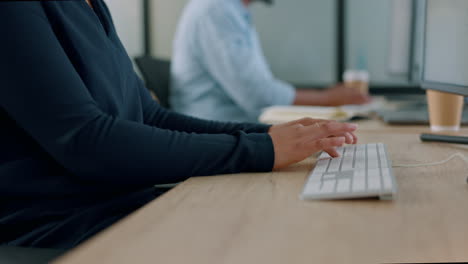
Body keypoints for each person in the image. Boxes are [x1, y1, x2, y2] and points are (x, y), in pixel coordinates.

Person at [0, 0, 358, 249]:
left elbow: (152, 115)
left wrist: (271, 136)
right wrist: (262, 148)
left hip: (126, 201)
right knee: (279, 231)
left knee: (293, 213)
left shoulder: (93, 6)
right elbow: (87, 140)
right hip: (63, 225)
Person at [170, 0, 371, 123]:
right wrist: (327, 98)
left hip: (236, 125)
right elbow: (257, 95)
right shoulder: (216, 10)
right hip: (216, 131)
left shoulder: (234, 11)